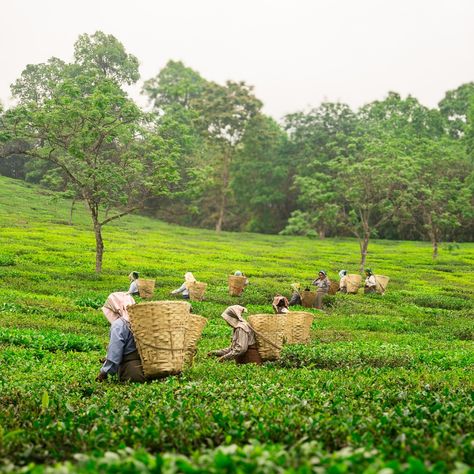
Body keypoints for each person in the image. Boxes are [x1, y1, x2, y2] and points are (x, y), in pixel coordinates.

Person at [96, 292, 145, 383]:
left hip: (132, 372)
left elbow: (114, 355)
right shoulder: (142, 320)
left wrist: (103, 373)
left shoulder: (119, 325)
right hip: (151, 369)